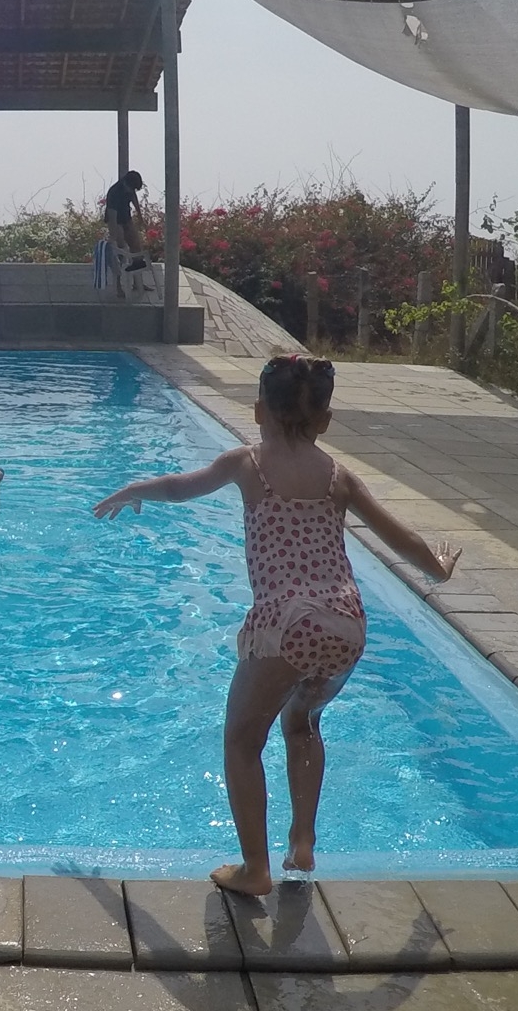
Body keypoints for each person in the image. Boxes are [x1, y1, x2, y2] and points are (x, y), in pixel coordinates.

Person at [92, 355, 460, 896]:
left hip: (287, 625)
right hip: (347, 624)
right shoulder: (339, 478)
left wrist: (133, 490)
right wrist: (439, 569)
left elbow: (179, 486)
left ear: (258, 410)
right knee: (303, 724)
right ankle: (302, 841)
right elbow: (400, 537)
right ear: (325, 421)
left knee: (241, 742)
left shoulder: (248, 463)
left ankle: (255, 868)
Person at [103, 170, 147, 271]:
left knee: (135, 241)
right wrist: (114, 235)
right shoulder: (114, 192)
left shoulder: (130, 188)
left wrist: (140, 216)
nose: (132, 191)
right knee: (120, 242)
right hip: (114, 218)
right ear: (126, 184)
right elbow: (112, 215)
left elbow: (134, 200)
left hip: (126, 216)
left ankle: (137, 263)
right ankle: (120, 271)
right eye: (132, 189)